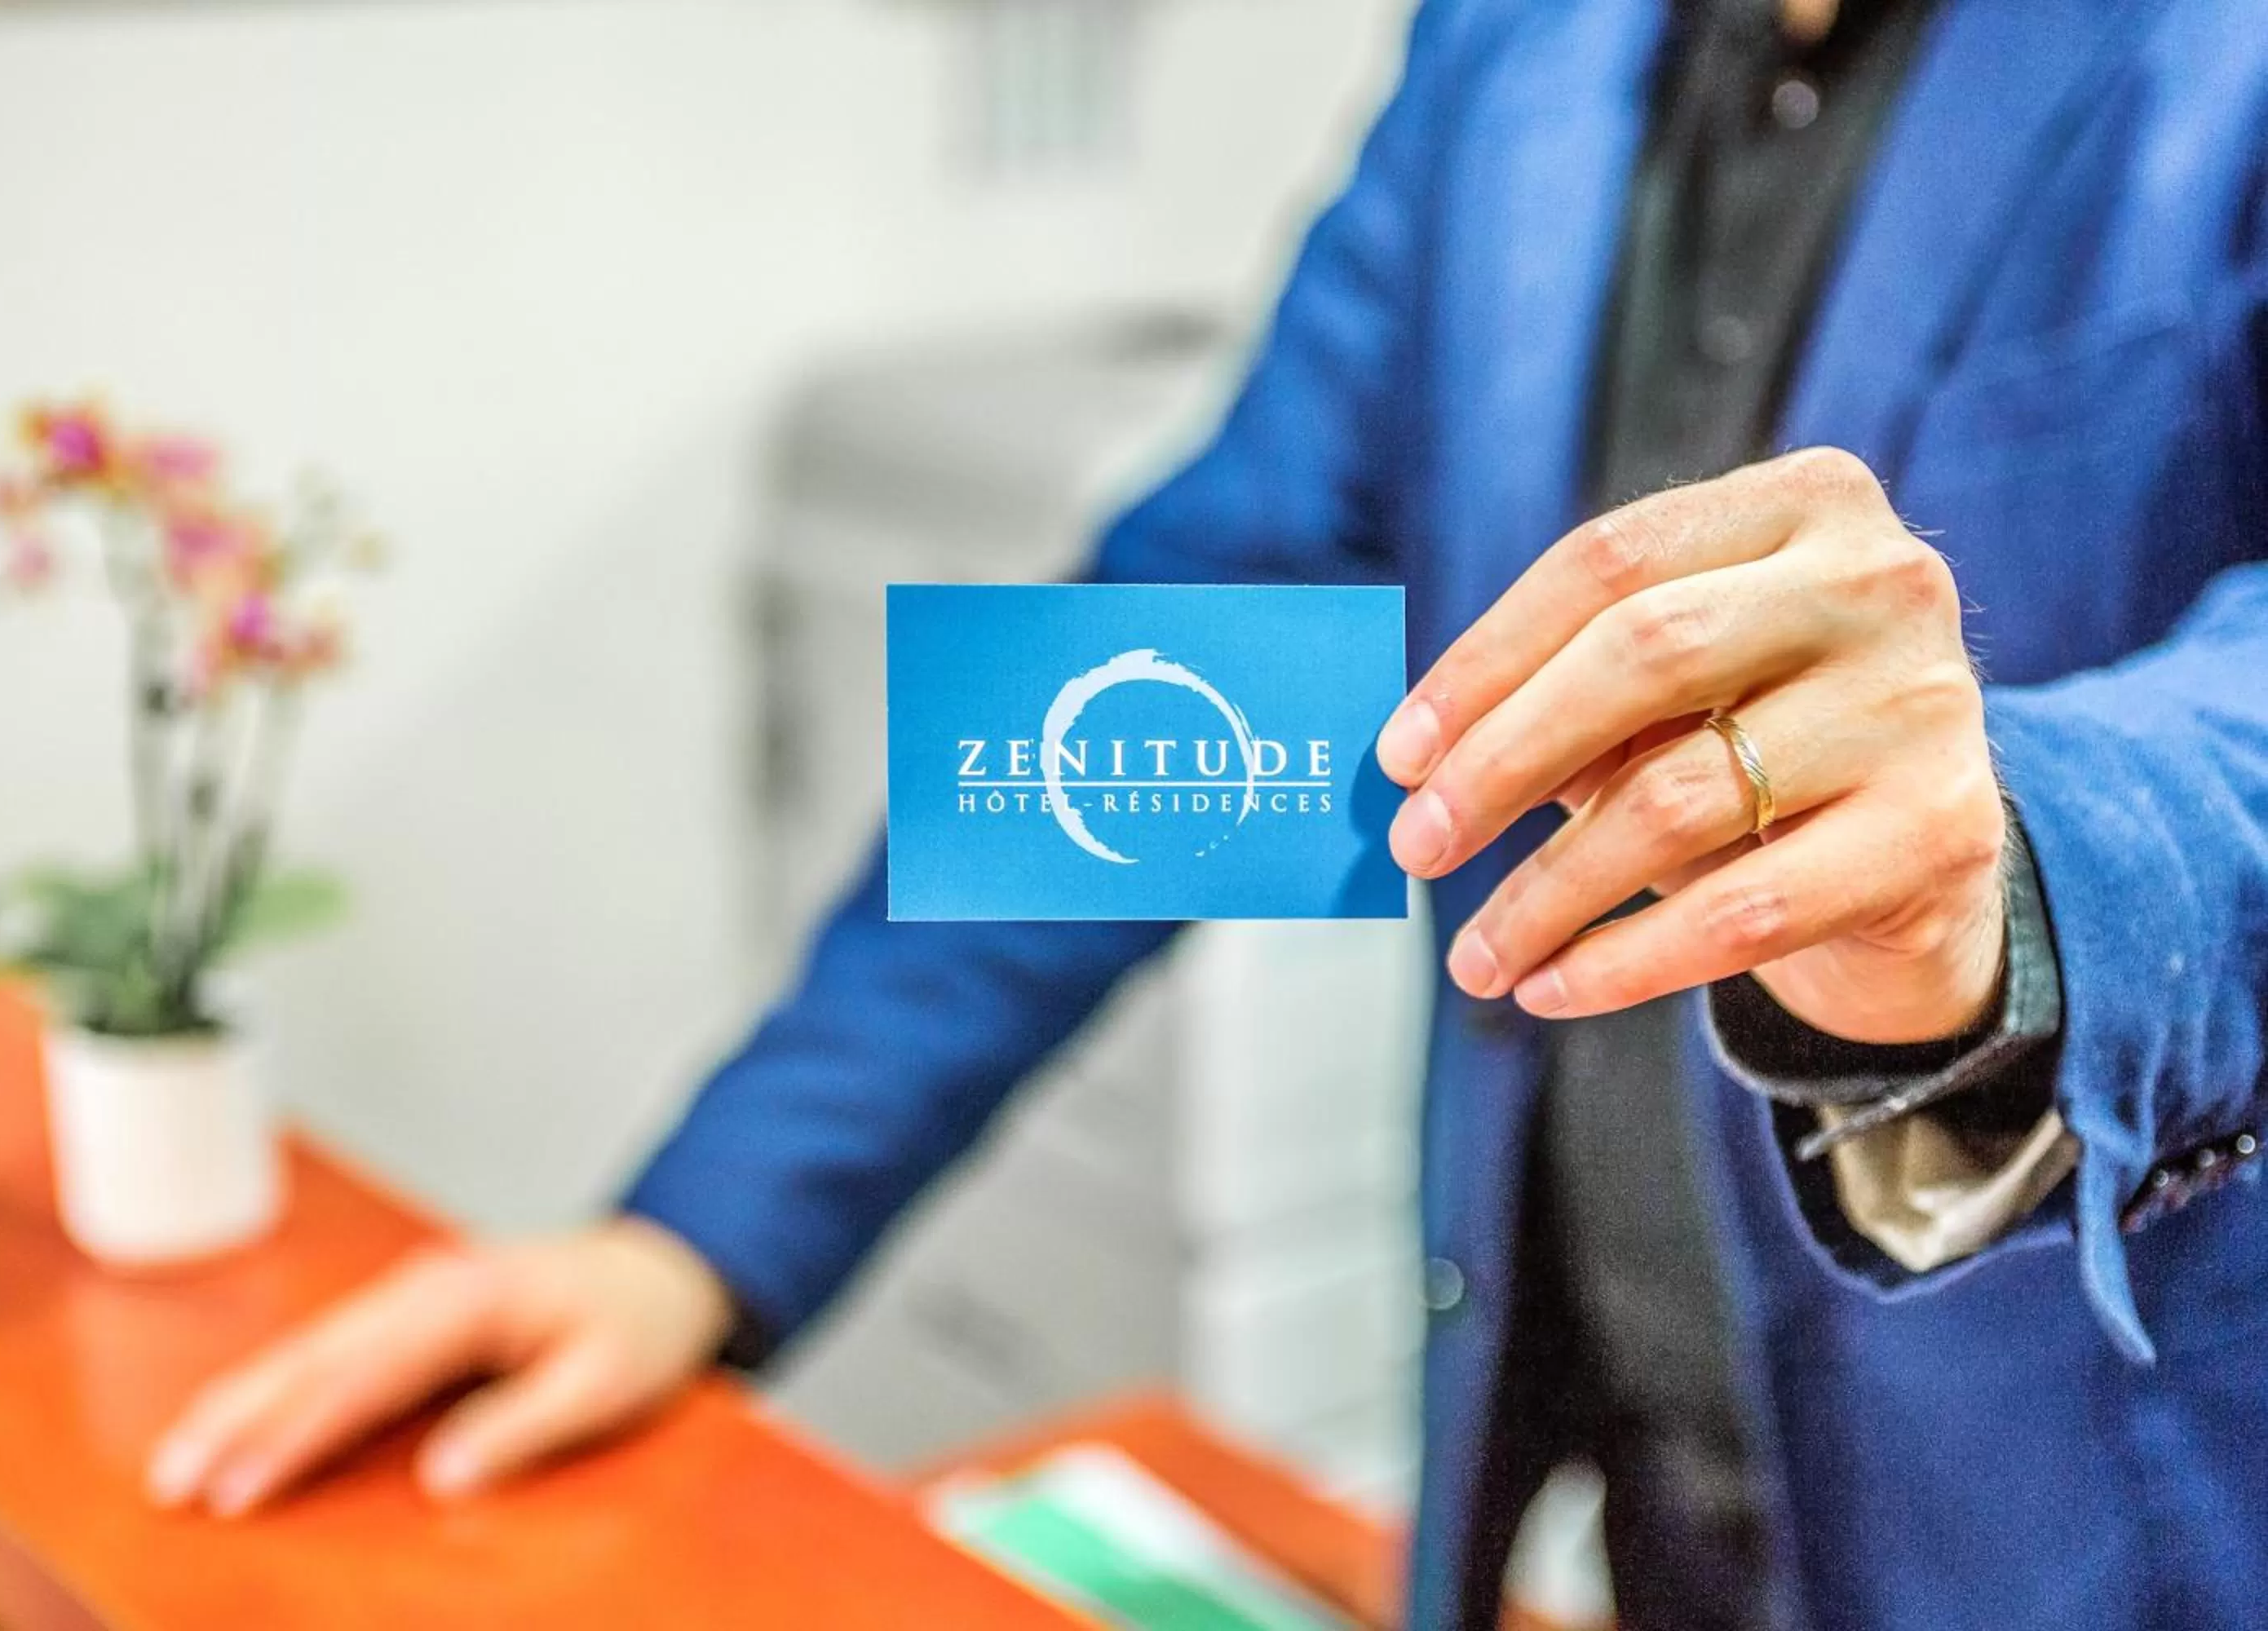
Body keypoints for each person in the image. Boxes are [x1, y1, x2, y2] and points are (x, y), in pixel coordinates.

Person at [145, 2, 2268, 1627]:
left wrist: (2020, 835)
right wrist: (688, 1238)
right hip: (1628, 1465)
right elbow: (1205, 663)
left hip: (2108, 1485)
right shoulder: (1512, 48)